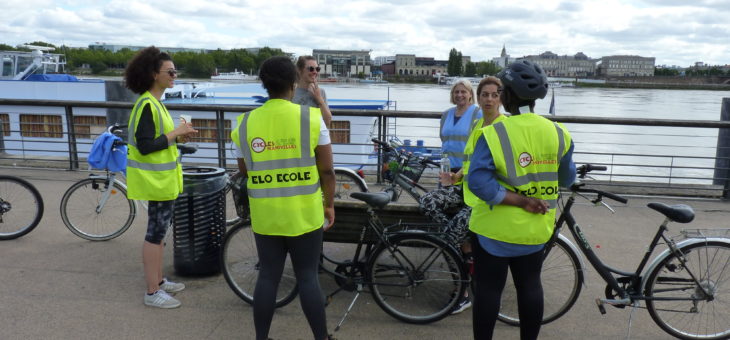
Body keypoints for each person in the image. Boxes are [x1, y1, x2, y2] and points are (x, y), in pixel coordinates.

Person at [467, 60, 576, 339]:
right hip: (536, 229)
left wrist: (517, 199)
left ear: (506, 96)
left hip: (494, 229)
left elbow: (478, 182)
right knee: (530, 286)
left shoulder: (493, 133)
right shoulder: (559, 132)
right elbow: (566, 179)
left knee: (489, 290)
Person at [230, 56, 336, 340]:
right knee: (308, 277)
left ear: (263, 84)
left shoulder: (244, 124)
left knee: (268, 277)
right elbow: (327, 171)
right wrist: (329, 204)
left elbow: (245, 170)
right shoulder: (311, 119)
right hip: (305, 214)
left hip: (266, 215)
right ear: (293, 83)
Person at [419, 77, 504, 315]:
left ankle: (463, 292)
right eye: (485, 94)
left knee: (448, 238)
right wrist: (457, 177)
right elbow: (471, 160)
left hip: (485, 197)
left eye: (494, 95)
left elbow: (491, 165)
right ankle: (466, 250)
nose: (489, 99)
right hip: (464, 187)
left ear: (501, 98)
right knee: (427, 202)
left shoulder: (501, 126)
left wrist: (460, 176)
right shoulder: (477, 125)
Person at [123, 46, 198, 309]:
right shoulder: (147, 104)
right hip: (155, 182)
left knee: (160, 232)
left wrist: (178, 134)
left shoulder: (155, 103)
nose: (175, 75)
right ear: (155, 74)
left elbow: (160, 141)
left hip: (162, 182)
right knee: (155, 234)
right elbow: (146, 145)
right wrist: (176, 133)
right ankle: (152, 292)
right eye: (170, 71)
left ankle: (159, 281)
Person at [293, 56, 332, 127]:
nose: (315, 72)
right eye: (311, 69)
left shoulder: (321, 92)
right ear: (299, 70)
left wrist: (319, 99)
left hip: (313, 136)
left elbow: (327, 122)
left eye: (317, 69)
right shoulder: (290, 92)